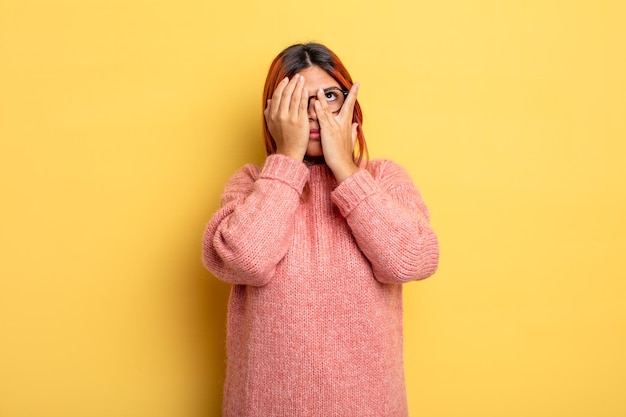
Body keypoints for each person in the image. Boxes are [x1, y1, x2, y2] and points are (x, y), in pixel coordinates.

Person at [202, 42, 439, 417]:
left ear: (350, 104)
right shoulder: (251, 184)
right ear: (274, 112)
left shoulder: (383, 178)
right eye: (298, 98)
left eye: (329, 96)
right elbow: (246, 260)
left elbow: (411, 261)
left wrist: (346, 167)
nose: (315, 112)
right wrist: (285, 160)